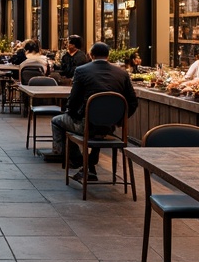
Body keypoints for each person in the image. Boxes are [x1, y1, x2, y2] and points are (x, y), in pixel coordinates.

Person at [49, 41, 138, 178]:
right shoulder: (122, 73)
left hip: (87, 124)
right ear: (108, 55)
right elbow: (132, 102)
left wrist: (72, 115)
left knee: (57, 121)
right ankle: (90, 163)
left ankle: (78, 160)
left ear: (91, 55)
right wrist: (120, 121)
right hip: (110, 126)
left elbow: (73, 99)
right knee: (97, 126)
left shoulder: (82, 70)